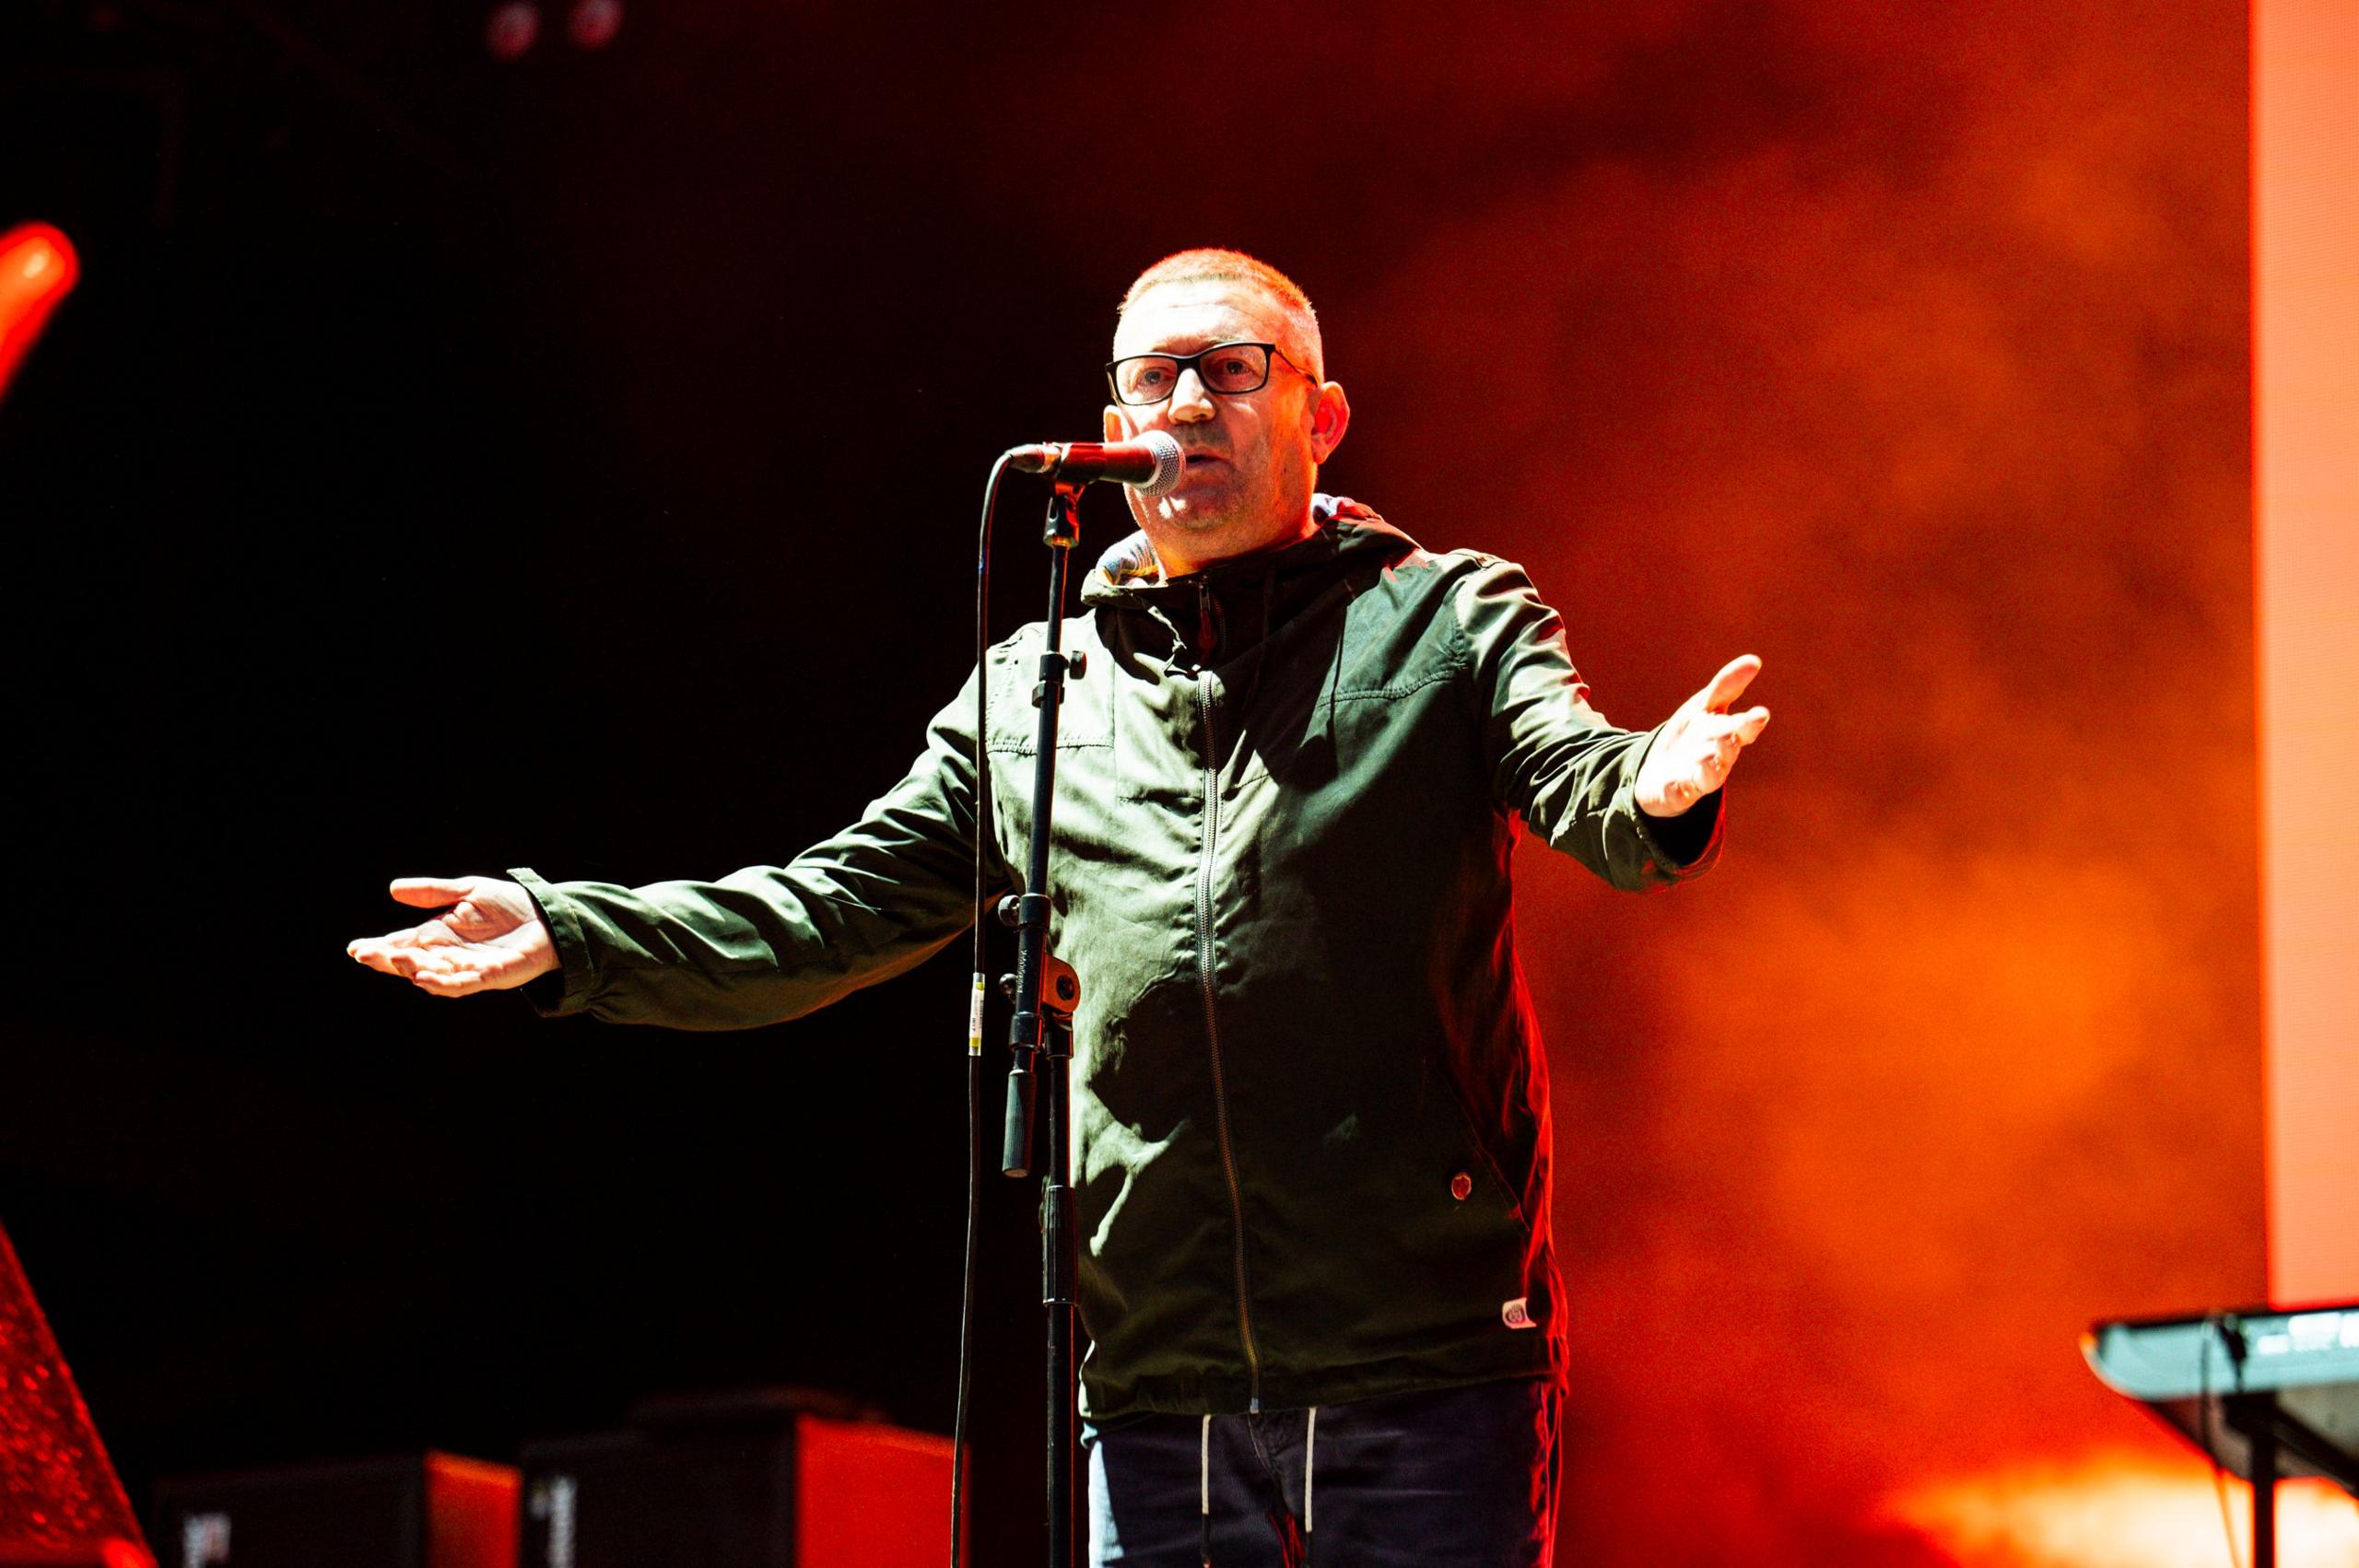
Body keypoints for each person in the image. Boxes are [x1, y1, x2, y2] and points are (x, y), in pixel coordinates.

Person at [349, 249, 1769, 1566]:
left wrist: (1657, 780)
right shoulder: (1043, 688)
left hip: (1425, 1368)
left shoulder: (1446, 618)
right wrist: (571, 935)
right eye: (1151, 378)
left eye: (1230, 368)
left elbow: (1590, 779)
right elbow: (828, 911)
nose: (1186, 405)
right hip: (1156, 1392)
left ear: (1323, 416)